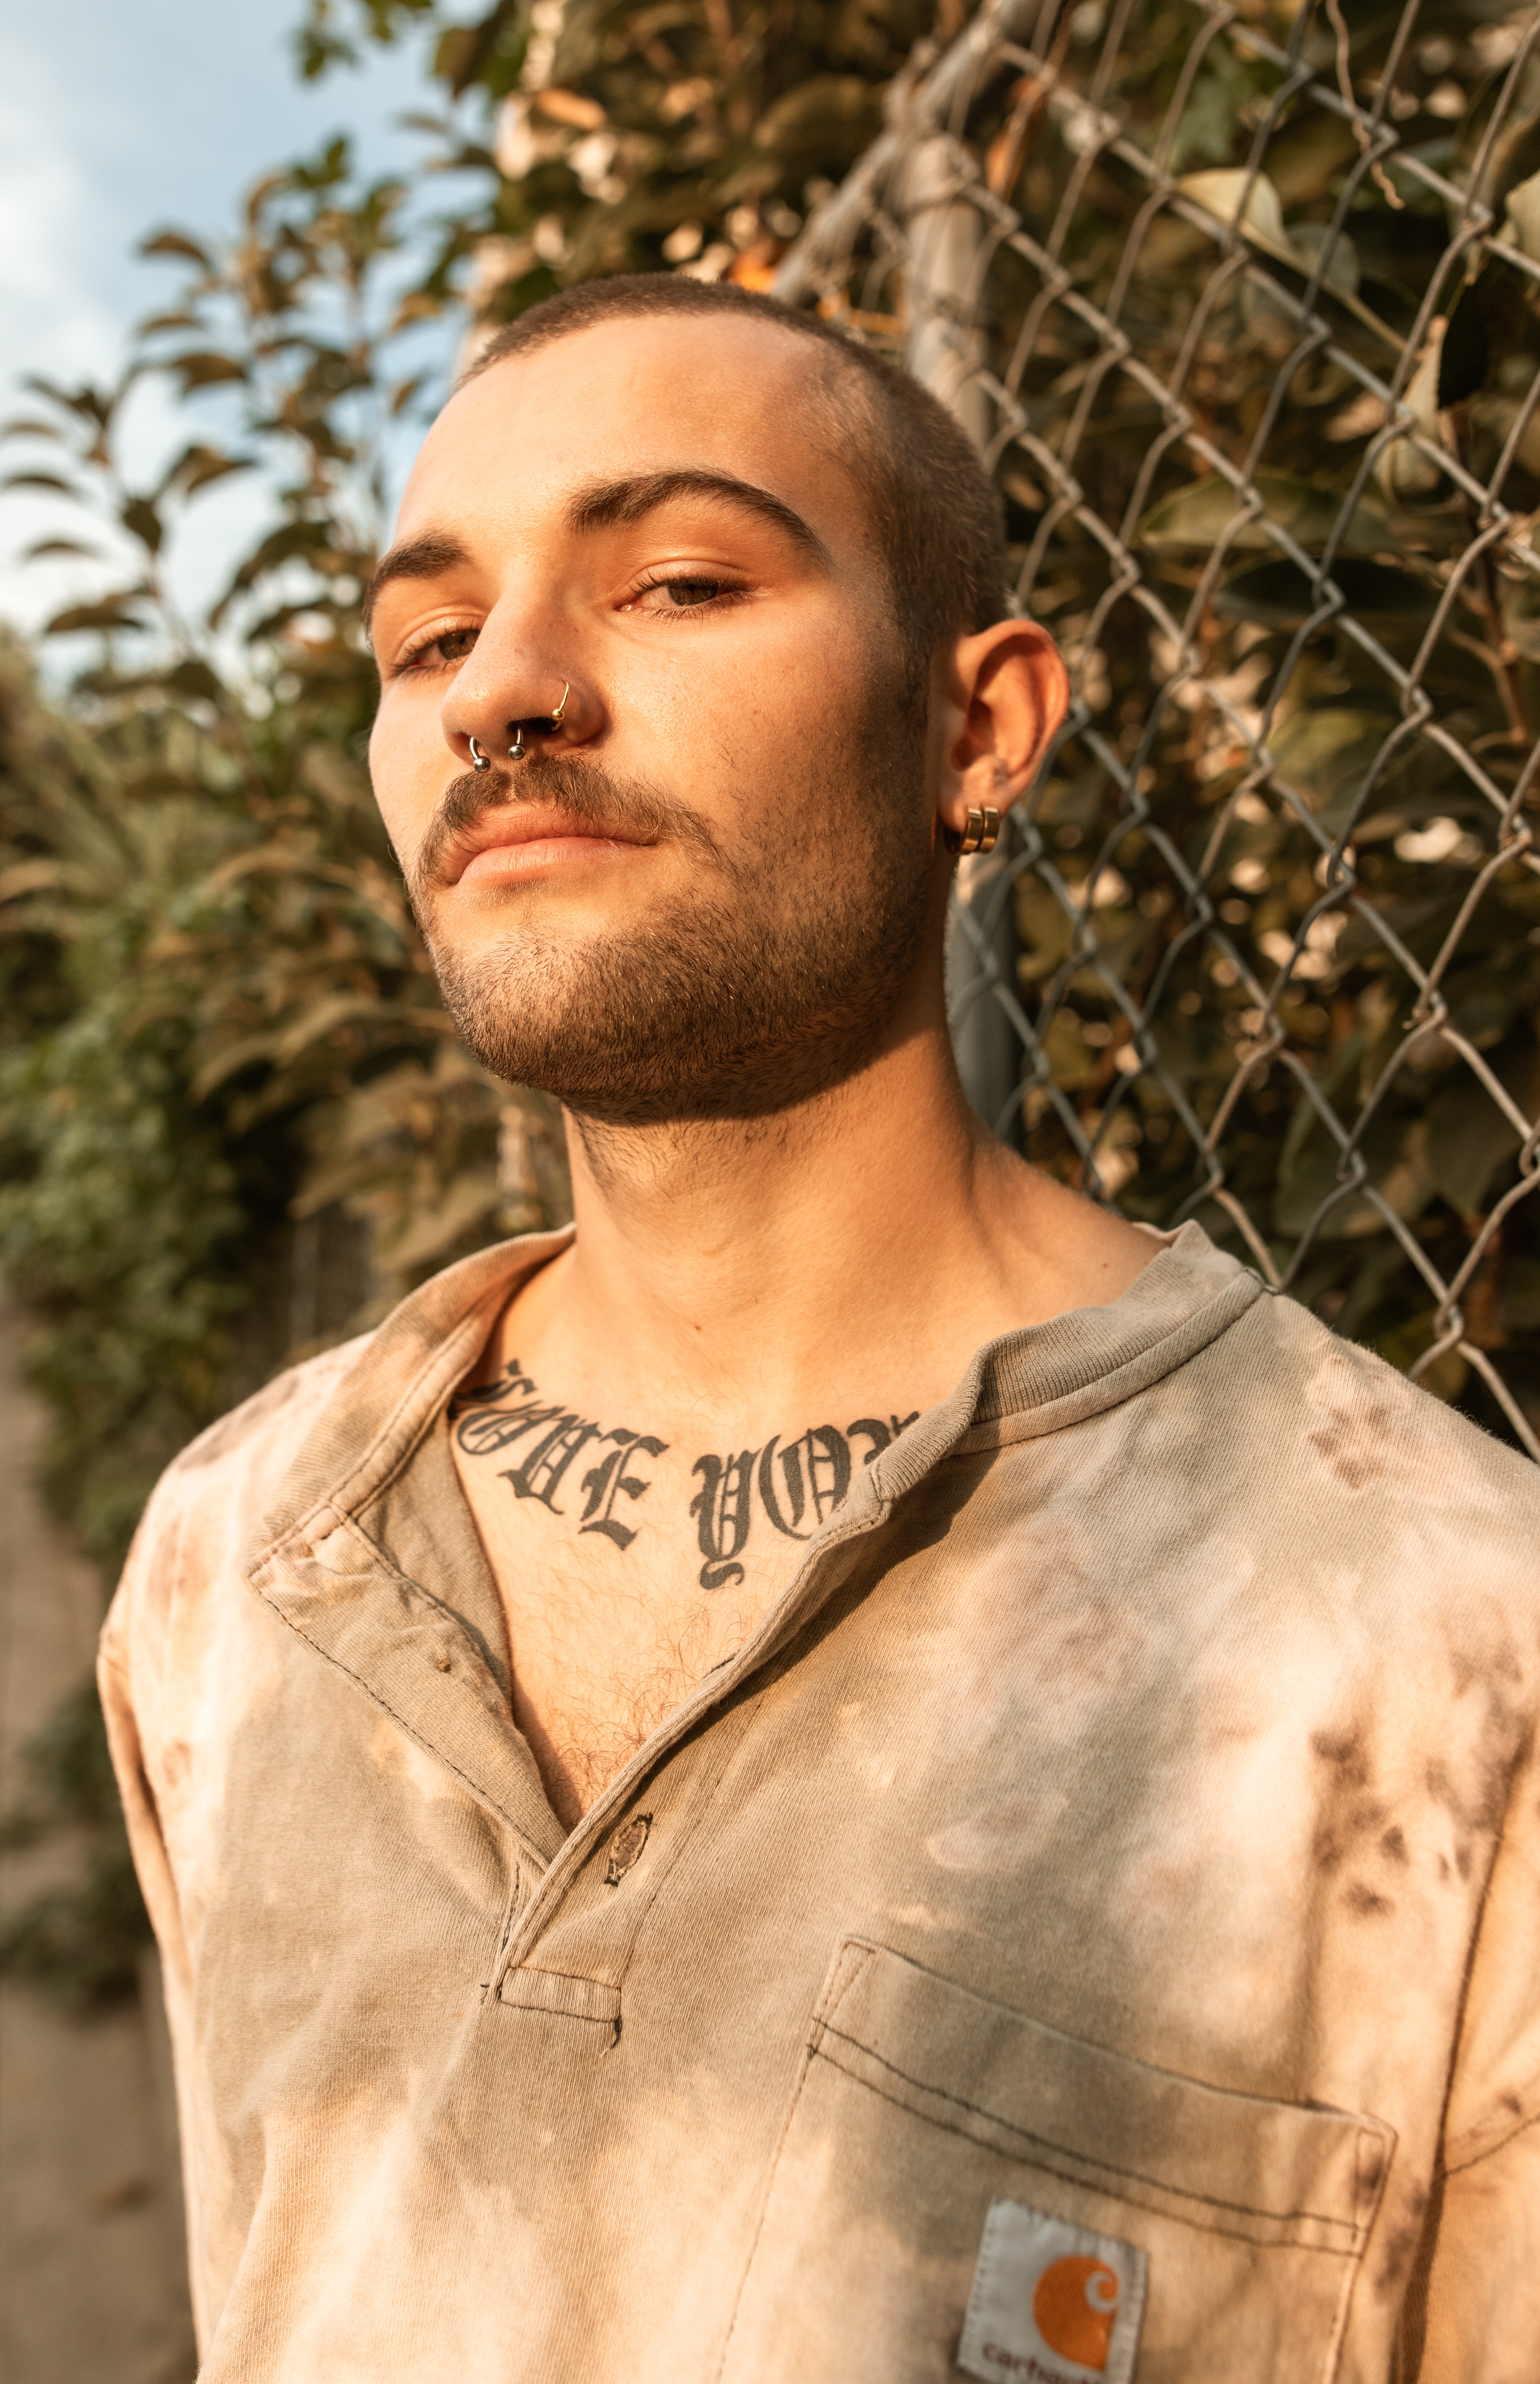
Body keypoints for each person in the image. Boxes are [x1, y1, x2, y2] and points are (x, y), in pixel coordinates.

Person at [100, 274, 1540, 2384]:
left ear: (980, 727)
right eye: (422, 639)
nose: (501, 690)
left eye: (676, 582)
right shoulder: (232, 1557)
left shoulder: (1445, 1649)